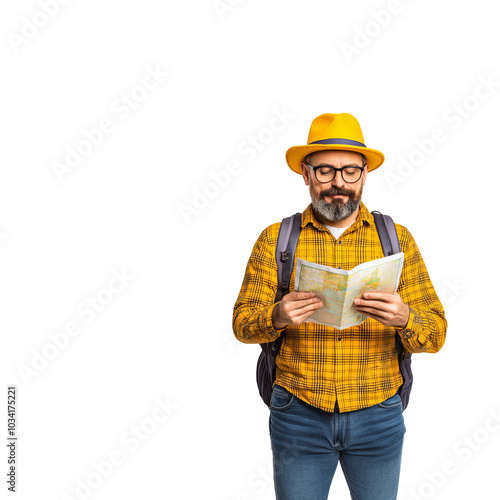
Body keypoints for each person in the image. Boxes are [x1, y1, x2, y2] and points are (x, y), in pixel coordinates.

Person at [232, 113, 447, 500]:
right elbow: (242, 325)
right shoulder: (276, 240)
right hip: (297, 412)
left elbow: (436, 334)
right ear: (306, 174)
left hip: (378, 413)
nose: (338, 184)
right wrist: (277, 315)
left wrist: (405, 317)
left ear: (365, 174)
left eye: (349, 171)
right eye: (326, 171)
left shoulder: (396, 240)